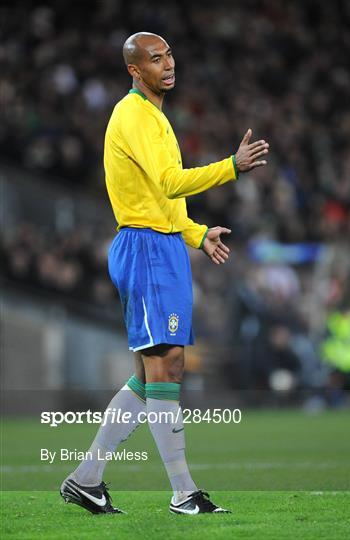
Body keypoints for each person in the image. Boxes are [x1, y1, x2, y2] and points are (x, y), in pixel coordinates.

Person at [60, 32, 269, 515]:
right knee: (167, 365)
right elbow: (171, 183)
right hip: (146, 249)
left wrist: (196, 235)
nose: (168, 64)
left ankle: (86, 479)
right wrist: (231, 168)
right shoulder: (131, 115)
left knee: (150, 371)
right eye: (156, 59)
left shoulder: (154, 115)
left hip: (164, 244)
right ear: (135, 70)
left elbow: (164, 200)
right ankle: (183, 491)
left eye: (170, 54)